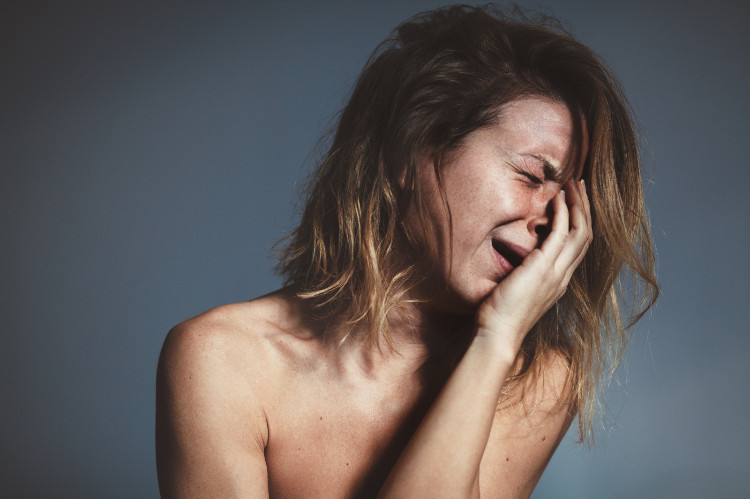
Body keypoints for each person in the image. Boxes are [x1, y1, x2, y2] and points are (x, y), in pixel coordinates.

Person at [155, 5, 658, 498]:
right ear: (412, 147)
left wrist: (497, 339)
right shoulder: (221, 360)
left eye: (572, 200)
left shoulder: (537, 382)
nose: (554, 222)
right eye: (531, 176)